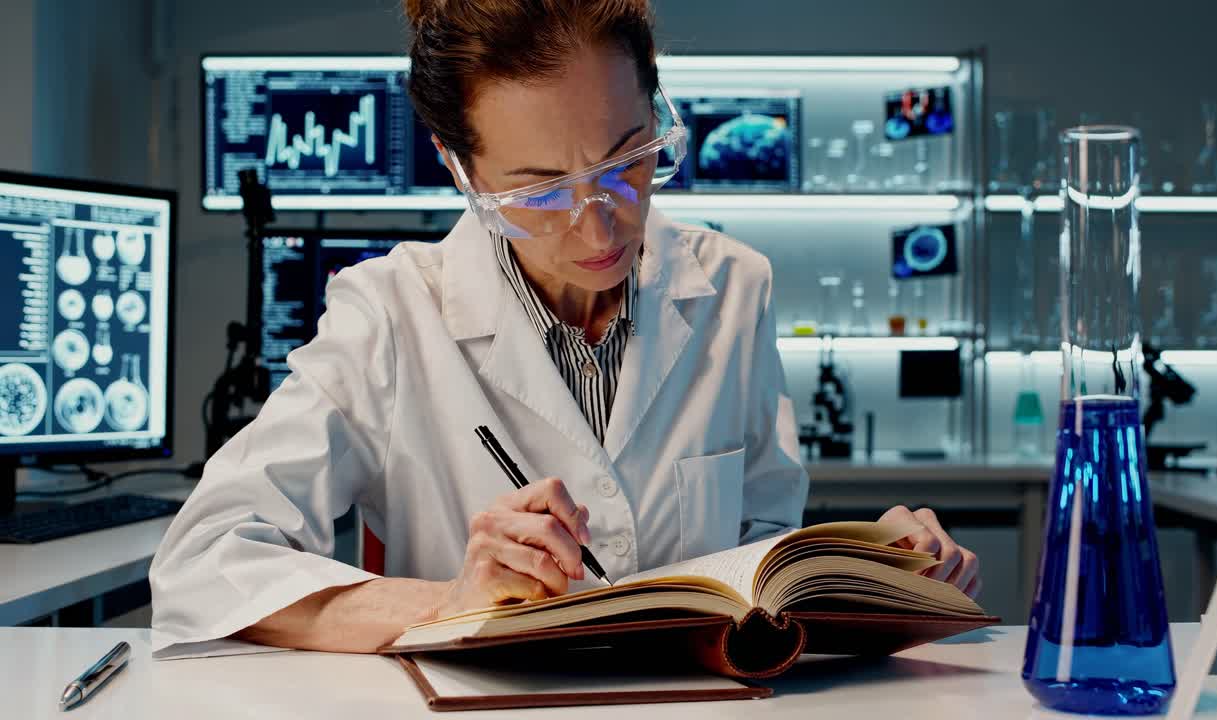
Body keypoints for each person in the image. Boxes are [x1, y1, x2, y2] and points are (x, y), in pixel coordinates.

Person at [149, 0, 981, 657]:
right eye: (540, 193)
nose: (599, 230)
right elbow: (205, 563)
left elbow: (760, 544)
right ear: (458, 168)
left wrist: (867, 564)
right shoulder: (390, 313)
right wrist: (449, 602)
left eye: (627, 162)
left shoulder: (733, 286)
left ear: (657, 107)